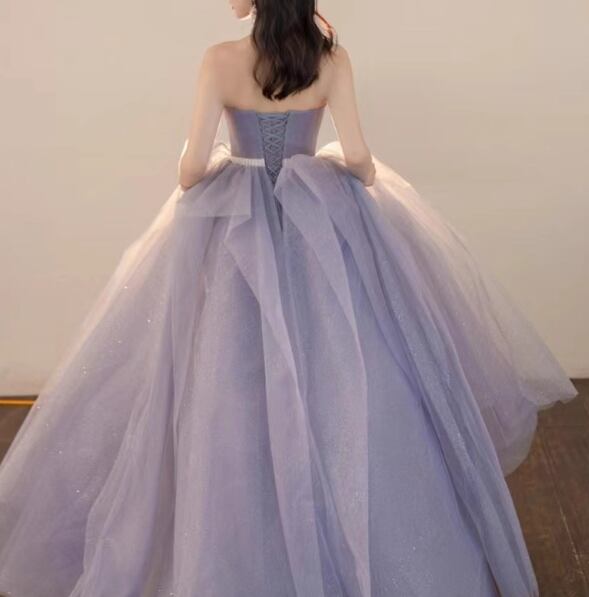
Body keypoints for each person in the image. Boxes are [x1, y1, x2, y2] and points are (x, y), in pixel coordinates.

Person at [0, 0, 578, 595]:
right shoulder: (331, 60)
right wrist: (355, 177)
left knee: (229, 372)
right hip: (317, 227)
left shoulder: (220, 60)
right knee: (339, 365)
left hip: (236, 229)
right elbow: (358, 157)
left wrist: (218, 162)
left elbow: (191, 169)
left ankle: (251, 525)